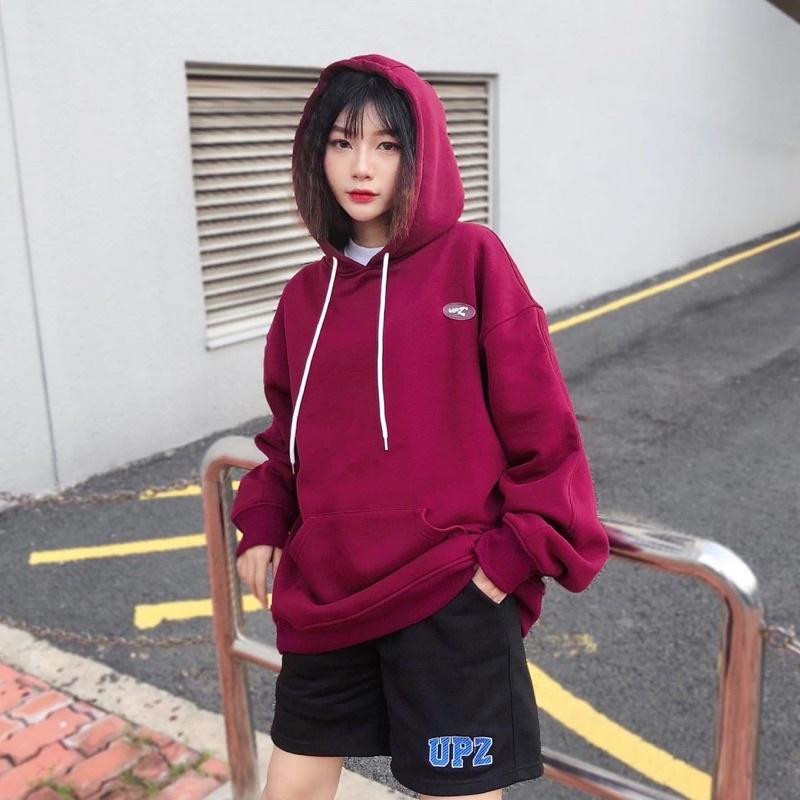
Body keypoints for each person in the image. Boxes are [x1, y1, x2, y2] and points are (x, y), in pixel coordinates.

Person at [231, 52, 610, 800]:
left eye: (386, 144)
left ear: (420, 153)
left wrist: (512, 556)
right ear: (316, 155)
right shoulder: (305, 295)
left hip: (449, 595)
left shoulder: (472, 259)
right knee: (290, 785)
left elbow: (543, 424)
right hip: (326, 591)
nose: (361, 166)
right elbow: (288, 436)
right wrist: (266, 519)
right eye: (341, 142)